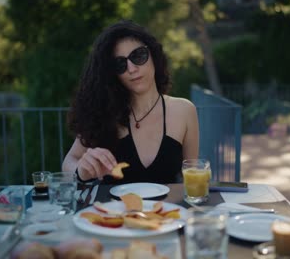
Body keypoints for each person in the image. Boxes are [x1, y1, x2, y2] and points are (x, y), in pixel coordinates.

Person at [62, 20, 199, 184]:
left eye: (138, 56)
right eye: (120, 64)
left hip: (166, 209)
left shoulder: (185, 111)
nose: (132, 68)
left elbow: (192, 175)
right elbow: (69, 162)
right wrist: (81, 171)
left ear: (154, 56)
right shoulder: (103, 112)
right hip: (111, 209)